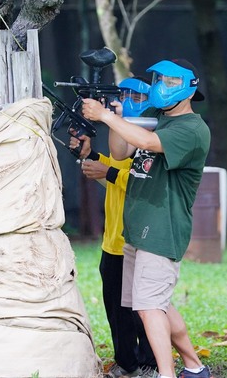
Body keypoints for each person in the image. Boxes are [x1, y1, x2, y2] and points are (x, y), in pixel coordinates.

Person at [81, 59, 212, 378]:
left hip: (162, 230)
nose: (160, 86)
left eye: (169, 81)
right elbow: (122, 151)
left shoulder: (192, 129)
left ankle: (167, 374)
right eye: (159, 79)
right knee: (159, 304)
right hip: (137, 231)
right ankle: (195, 367)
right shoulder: (157, 118)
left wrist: (108, 116)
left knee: (149, 307)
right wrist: (118, 119)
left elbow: (149, 144)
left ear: (188, 87)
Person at [71, 77, 157, 378]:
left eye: (134, 95)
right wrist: (88, 156)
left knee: (142, 309)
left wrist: (105, 171)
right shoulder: (124, 136)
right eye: (122, 93)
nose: (126, 98)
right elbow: (114, 168)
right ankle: (127, 363)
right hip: (113, 241)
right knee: (117, 311)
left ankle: (150, 363)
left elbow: (144, 184)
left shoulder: (151, 137)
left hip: (140, 239)